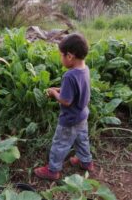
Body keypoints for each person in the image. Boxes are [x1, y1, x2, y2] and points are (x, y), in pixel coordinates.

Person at [34, 33, 93, 180]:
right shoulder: (84, 70)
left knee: (60, 143)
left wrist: (54, 93)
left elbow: (66, 101)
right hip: (82, 115)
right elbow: (78, 90)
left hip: (70, 118)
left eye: (61, 55)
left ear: (70, 56)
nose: (60, 59)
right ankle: (86, 162)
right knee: (82, 139)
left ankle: (53, 170)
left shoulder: (69, 76)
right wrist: (60, 89)